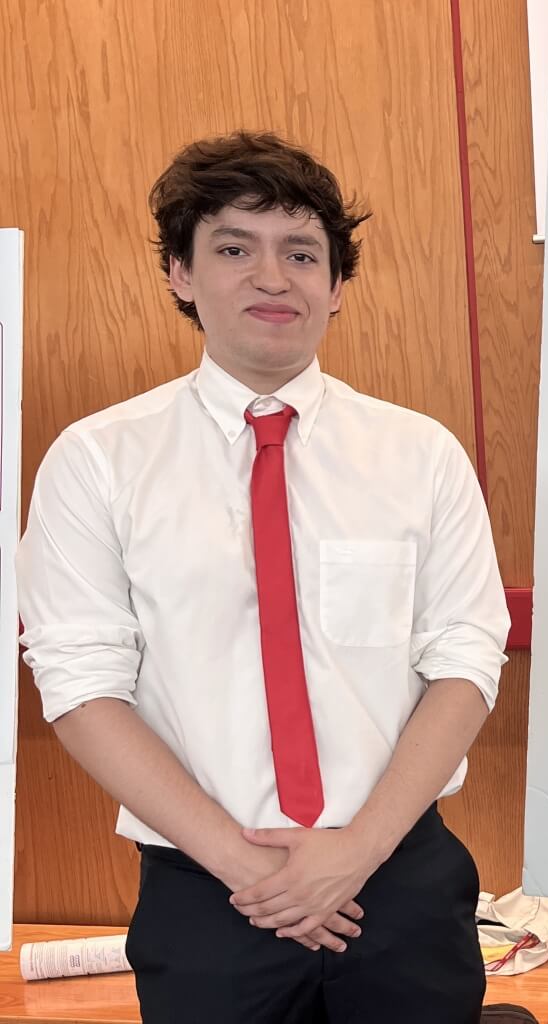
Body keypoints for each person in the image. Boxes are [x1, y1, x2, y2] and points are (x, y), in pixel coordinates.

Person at [16, 131, 510, 1023]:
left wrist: (352, 852)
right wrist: (260, 877)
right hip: (207, 895)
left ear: (337, 286)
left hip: (398, 883)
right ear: (181, 272)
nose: (272, 278)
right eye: (234, 249)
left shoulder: (420, 455)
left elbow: (467, 660)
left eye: (301, 253)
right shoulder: (97, 460)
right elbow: (81, 687)